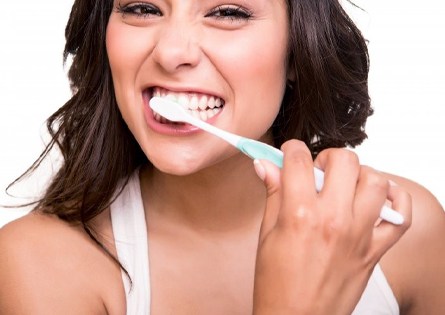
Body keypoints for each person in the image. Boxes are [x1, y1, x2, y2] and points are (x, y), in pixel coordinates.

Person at [0, 0, 444, 314]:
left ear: (297, 47)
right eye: (142, 8)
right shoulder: (39, 266)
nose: (172, 53)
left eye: (228, 12)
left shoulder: (404, 230)